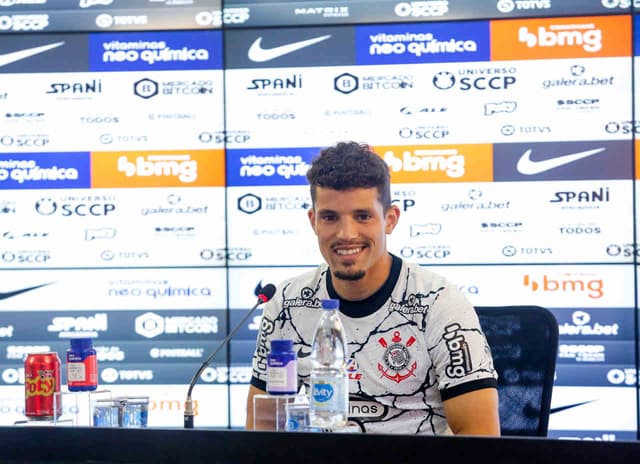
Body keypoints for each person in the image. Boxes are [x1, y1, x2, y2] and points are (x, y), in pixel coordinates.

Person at [245, 141, 500, 435]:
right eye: (330, 217)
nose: (346, 234)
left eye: (363, 216)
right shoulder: (286, 303)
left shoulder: (438, 302)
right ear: (313, 221)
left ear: (390, 219)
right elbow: (261, 432)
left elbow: (481, 439)